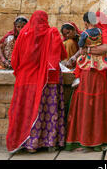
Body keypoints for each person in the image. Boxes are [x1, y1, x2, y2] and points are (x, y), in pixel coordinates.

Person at [6, 10, 68, 153]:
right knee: (47, 110)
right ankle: (49, 142)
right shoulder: (52, 33)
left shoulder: (23, 34)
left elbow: (15, 60)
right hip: (48, 79)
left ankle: (28, 144)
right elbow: (62, 55)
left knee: (25, 110)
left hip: (25, 79)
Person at [65, 11, 107, 152]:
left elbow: (105, 48)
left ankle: (93, 140)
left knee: (93, 104)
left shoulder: (102, 32)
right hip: (88, 72)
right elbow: (82, 49)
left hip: (96, 73)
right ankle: (85, 139)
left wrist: (86, 50)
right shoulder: (96, 31)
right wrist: (74, 57)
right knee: (86, 104)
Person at [72, 13, 107, 90]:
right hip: (101, 61)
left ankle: (77, 78)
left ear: (86, 22)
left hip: (90, 65)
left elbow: (105, 48)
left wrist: (86, 49)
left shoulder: (86, 33)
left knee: (79, 62)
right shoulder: (100, 31)